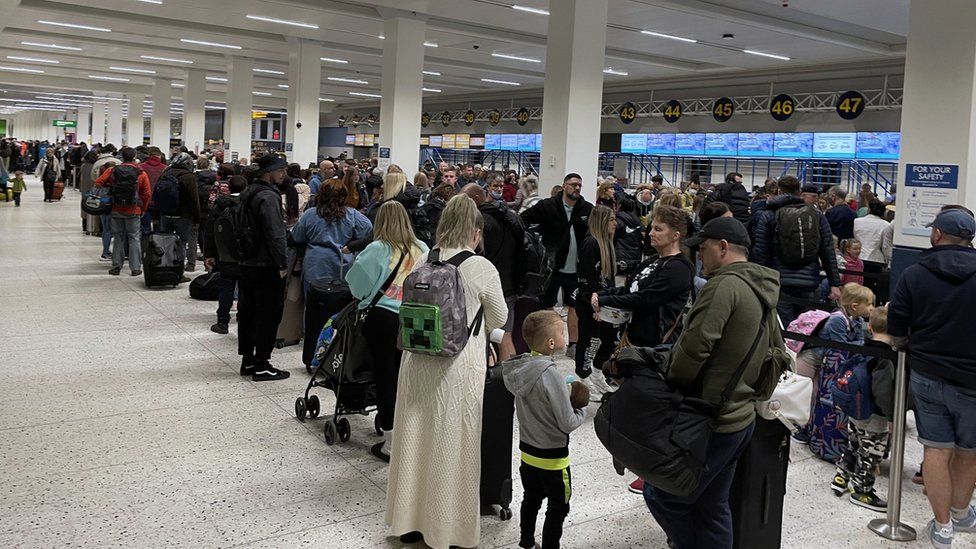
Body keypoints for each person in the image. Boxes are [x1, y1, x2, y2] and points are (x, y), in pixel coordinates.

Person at [644, 216, 782, 549]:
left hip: (710, 420)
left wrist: (672, 379)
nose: (699, 257)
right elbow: (775, 351)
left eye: (703, 249)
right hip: (741, 415)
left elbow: (695, 346)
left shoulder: (723, 285)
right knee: (712, 505)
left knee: (663, 494)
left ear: (722, 248)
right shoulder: (764, 288)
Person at [386, 195, 508, 549]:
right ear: (475, 230)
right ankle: (447, 530)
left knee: (414, 438)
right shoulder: (481, 267)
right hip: (458, 365)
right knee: (454, 441)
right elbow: (498, 318)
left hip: (416, 360)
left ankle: (408, 522)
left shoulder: (426, 257)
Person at [887, 207, 976, 549]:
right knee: (968, 452)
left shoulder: (915, 273)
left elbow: (897, 324)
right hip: (972, 378)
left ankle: (942, 528)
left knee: (936, 450)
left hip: (927, 372)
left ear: (937, 234)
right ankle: (961, 512)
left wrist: (904, 342)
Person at [346, 200, 427, 462]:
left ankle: (391, 442)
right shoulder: (422, 249)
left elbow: (356, 286)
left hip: (383, 318)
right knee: (409, 377)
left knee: (385, 378)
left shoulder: (377, 249)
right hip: (415, 318)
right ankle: (411, 433)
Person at [502, 310, 587, 549]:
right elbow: (567, 422)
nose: (564, 336)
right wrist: (581, 411)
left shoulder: (521, 369)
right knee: (559, 506)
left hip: (528, 454)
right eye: (562, 332)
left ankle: (526, 541)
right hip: (553, 460)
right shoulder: (551, 375)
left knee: (531, 500)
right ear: (552, 343)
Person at [521, 173, 594, 359]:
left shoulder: (586, 209)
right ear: (564, 186)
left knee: (574, 307)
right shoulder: (548, 206)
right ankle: (545, 344)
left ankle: (574, 345)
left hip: (576, 270)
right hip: (551, 268)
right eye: (573, 184)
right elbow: (523, 219)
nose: (576, 188)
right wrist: (534, 242)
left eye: (579, 185)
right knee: (547, 307)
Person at [752, 175, 841, 325]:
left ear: (779, 191)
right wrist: (834, 283)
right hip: (810, 282)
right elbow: (827, 251)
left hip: (779, 283)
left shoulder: (769, 215)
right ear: (799, 192)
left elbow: (761, 252)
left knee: (783, 330)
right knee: (807, 330)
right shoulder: (816, 215)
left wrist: (761, 282)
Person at [831, 305, 895, 512]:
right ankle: (862, 491)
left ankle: (841, 477)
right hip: (875, 415)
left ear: (869, 328)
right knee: (870, 454)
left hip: (855, 409)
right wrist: (892, 415)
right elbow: (883, 392)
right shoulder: (887, 359)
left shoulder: (861, 346)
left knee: (853, 445)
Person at [236, 154, 290, 382]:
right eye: (280, 170)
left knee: (247, 312)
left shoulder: (248, 192)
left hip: (246, 261)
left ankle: (248, 359)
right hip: (265, 264)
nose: (283, 174)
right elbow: (275, 233)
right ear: (269, 172)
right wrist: (282, 263)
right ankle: (262, 364)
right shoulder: (268, 196)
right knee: (269, 313)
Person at [462, 183, 524, 361]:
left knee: (485, 337)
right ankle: (507, 383)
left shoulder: (480, 223)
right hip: (510, 285)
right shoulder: (509, 218)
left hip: (487, 287)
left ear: (475, 199)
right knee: (505, 337)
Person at [292, 179, 372, 294]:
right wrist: (352, 244)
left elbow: (297, 237)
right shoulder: (352, 215)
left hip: (315, 264)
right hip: (342, 263)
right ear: (344, 196)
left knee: (314, 301)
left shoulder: (310, 214)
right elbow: (368, 231)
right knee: (339, 301)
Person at [574, 205, 621, 399]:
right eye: (611, 220)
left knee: (610, 340)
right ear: (602, 222)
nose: (615, 224)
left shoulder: (607, 244)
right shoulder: (590, 244)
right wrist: (593, 306)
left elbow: (607, 278)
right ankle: (583, 379)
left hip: (604, 303)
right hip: (589, 303)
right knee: (589, 341)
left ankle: (596, 372)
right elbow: (586, 280)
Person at [95, 147, 152, 277]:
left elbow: (98, 183)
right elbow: (147, 193)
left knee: (118, 238)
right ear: (134, 157)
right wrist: (143, 208)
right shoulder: (140, 172)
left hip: (116, 209)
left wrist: (110, 190)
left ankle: (116, 267)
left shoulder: (112, 170)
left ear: (121, 157)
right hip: (133, 210)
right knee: (134, 238)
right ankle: (135, 268)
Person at [203, 175, 246, 334]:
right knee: (244, 287)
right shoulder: (248, 204)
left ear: (230, 188)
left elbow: (209, 232)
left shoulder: (219, 206)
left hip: (224, 254)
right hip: (246, 255)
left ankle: (222, 322)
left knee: (226, 287)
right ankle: (243, 317)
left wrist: (209, 254)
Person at [158, 153, 202, 276]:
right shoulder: (189, 177)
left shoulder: (165, 173)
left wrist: (157, 215)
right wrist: (197, 219)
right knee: (182, 243)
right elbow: (194, 200)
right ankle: (178, 272)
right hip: (183, 216)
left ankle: (165, 268)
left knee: (166, 243)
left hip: (165, 214)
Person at [614, 196, 644, 283]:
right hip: (635, 255)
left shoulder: (618, 220)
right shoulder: (637, 220)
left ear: (620, 205)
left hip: (620, 255)